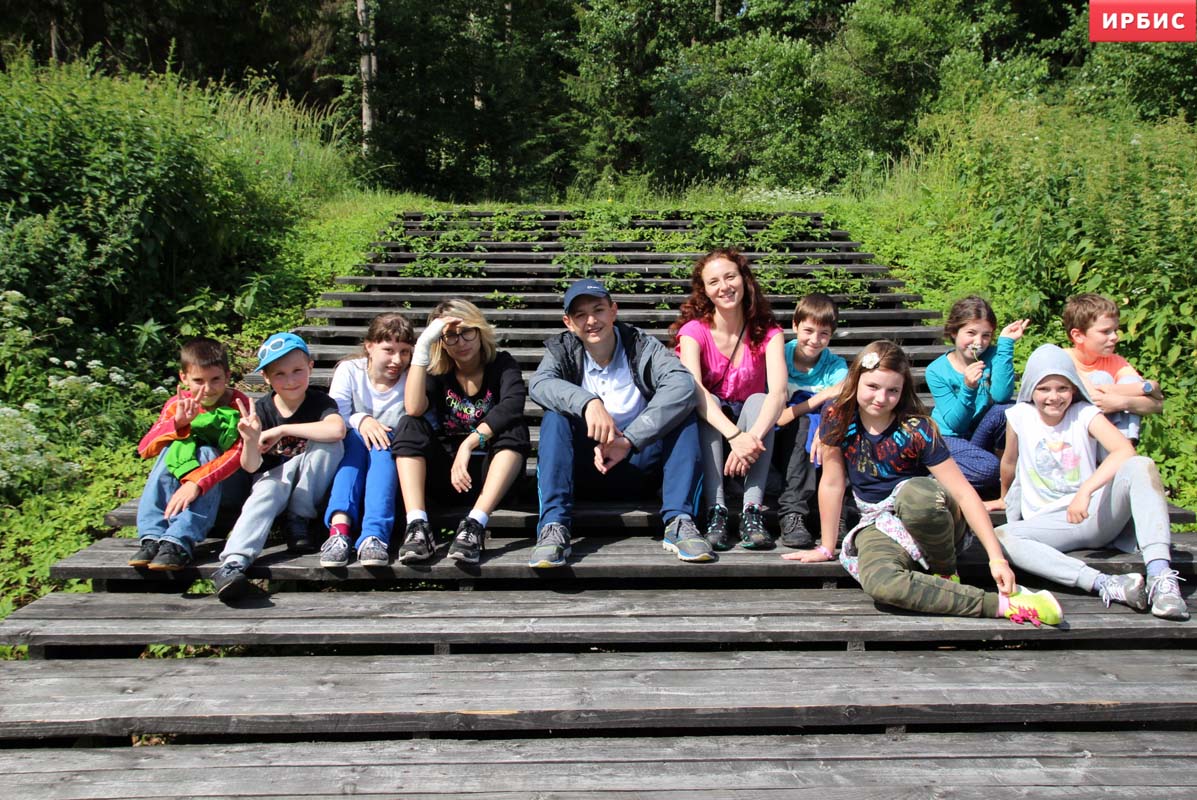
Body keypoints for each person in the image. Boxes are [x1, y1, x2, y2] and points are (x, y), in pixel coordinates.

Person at [783, 341, 1063, 627]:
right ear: (855, 382)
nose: (881, 398)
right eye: (873, 387)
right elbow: (832, 483)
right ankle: (1007, 605)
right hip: (877, 522)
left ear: (903, 390)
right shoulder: (837, 417)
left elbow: (963, 493)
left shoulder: (917, 428)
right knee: (882, 584)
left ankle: (945, 571)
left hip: (932, 516)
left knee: (914, 495)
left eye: (892, 390)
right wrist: (827, 547)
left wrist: (997, 558)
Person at [994, 344, 1188, 620]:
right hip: (1047, 522)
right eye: (1044, 388)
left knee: (1140, 464)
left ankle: (1161, 577)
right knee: (1001, 538)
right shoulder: (1019, 416)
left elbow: (1124, 450)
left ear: (1073, 388)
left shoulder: (1085, 413)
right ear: (1030, 390)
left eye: (1062, 388)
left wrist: (1085, 492)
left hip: (1092, 514)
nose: (1053, 397)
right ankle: (1105, 583)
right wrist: (1004, 497)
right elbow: (1009, 461)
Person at [528, 278, 707, 566]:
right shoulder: (562, 349)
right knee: (554, 416)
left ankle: (679, 521)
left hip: (640, 463)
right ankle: (553, 526)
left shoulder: (641, 345)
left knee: (683, 414)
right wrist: (588, 403)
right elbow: (539, 384)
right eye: (580, 315)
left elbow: (682, 384)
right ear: (568, 323)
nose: (591, 321)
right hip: (586, 467)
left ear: (614, 310)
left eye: (598, 310)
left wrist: (629, 440)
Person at [393, 300, 530, 565]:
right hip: (448, 478)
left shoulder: (502, 364)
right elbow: (413, 407)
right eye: (451, 336)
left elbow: (513, 405)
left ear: (479, 331)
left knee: (514, 427)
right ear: (441, 342)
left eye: (467, 331)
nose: (461, 342)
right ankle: (417, 526)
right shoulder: (438, 372)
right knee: (410, 423)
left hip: (494, 477)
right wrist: (423, 346)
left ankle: (475, 524)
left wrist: (468, 444)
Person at [212, 333, 346, 601]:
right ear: (266, 378)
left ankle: (298, 519)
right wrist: (250, 440)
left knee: (331, 444)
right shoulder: (261, 410)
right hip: (274, 482)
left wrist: (283, 430)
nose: (291, 381)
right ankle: (233, 562)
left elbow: (337, 429)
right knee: (269, 488)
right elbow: (250, 467)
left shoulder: (320, 401)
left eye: (297, 371)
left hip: (307, 490)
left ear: (310, 367)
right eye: (280, 374)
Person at [671, 248, 788, 551]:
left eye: (730, 277)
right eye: (714, 282)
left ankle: (752, 511)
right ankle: (717, 510)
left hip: (754, 432)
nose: (724, 287)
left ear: (743, 279)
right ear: (705, 290)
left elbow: (779, 393)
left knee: (761, 399)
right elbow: (695, 391)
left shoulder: (769, 332)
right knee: (706, 400)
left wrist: (749, 440)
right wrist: (735, 437)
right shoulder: (693, 332)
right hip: (713, 433)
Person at [130, 337, 250, 571]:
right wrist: (177, 424)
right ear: (183, 378)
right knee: (169, 449)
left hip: (226, 487)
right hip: (183, 486)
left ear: (227, 376)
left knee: (206, 451)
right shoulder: (178, 404)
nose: (207, 389)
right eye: (198, 381)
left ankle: (179, 540)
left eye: (215, 380)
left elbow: (237, 454)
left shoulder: (238, 403)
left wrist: (197, 482)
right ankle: (153, 536)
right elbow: (145, 449)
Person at [319, 313, 415, 568]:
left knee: (382, 446)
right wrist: (362, 420)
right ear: (369, 346)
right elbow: (336, 415)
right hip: (352, 445)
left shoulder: (411, 377)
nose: (397, 360)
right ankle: (339, 530)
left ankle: (374, 535)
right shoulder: (350, 370)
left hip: (391, 450)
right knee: (355, 441)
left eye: (405, 352)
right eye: (388, 350)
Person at [925, 296, 1029, 492]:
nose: (978, 342)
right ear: (954, 332)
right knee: (989, 469)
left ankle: (987, 471)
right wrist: (968, 388)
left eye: (986, 335)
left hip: (980, 434)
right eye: (971, 333)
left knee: (1006, 410)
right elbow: (956, 424)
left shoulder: (993, 355)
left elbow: (1001, 396)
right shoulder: (936, 371)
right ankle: (936, 475)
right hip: (950, 436)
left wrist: (1006, 345)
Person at [771, 293, 849, 548]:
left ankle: (837, 511)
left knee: (838, 426)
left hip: (820, 438)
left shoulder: (835, 366)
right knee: (805, 424)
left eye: (824, 334)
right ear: (795, 325)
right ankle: (792, 511)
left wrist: (824, 427)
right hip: (780, 438)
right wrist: (821, 397)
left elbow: (840, 404)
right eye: (808, 331)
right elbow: (779, 417)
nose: (815, 340)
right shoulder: (779, 355)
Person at [1062, 293, 1162, 444]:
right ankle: (1119, 450)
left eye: (1115, 330)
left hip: (1114, 439)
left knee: (1130, 380)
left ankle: (1125, 446)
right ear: (1078, 335)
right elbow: (1095, 396)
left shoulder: (1115, 361)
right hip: (1076, 440)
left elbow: (1158, 404)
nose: (1115, 337)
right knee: (1101, 377)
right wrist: (1143, 388)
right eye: (1105, 331)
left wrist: (1122, 402)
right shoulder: (1063, 359)